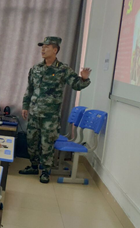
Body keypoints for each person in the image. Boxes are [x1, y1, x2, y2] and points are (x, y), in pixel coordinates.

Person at [20, 36, 92, 183]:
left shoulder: (63, 69)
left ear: (55, 50)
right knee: (31, 142)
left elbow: (76, 85)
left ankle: (46, 171)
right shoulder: (35, 69)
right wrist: (25, 106)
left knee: (47, 144)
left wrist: (84, 79)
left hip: (50, 117)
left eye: (46, 47)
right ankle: (33, 166)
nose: (43, 50)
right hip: (34, 113)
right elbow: (30, 89)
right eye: (42, 47)